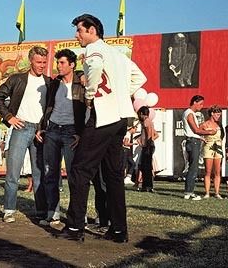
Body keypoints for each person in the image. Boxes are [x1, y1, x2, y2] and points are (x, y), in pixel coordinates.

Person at [57, 14, 147, 242]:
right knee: (114, 175)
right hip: (119, 118)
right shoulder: (118, 54)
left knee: (79, 170)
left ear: (92, 30)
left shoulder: (93, 50)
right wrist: (120, 94)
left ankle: (75, 228)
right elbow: (140, 77)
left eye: (79, 30)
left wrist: (90, 94)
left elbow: (95, 66)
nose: (76, 34)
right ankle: (118, 230)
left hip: (102, 116)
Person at [0, 46, 50, 223]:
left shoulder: (49, 82)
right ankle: (9, 210)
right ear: (31, 61)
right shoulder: (17, 79)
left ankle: (41, 212)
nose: (41, 65)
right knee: (13, 173)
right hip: (21, 128)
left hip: (39, 131)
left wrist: (45, 127)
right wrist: (9, 117)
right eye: (38, 62)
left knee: (39, 174)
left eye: (44, 62)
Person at [35, 48, 86, 226]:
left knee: (74, 175)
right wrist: (43, 128)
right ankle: (53, 212)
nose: (59, 66)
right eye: (57, 62)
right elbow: (48, 107)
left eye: (62, 63)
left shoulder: (81, 82)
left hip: (72, 133)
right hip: (53, 130)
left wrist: (80, 133)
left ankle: (78, 214)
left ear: (72, 65)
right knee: (50, 173)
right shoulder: (54, 83)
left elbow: (87, 109)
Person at [182, 95, 216, 201]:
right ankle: (189, 192)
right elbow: (196, 130)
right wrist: (209, 132)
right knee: (193, 167)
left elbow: (194, 132)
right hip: (193, 142)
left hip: (194, 141)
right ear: (195, 102)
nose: (202, 106)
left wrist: (201, 138)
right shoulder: (189, 114)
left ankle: (189, 191)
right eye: (200, 104)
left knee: (193, 166)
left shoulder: (190, 113)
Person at [200, 105, 224, 199]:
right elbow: (196, 131)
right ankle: (207, 193)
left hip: (218, 146)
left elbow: (222, 135)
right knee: (208, 171)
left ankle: (217, 193)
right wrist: (202, 139)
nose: (218, 116)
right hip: (208, 146)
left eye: (219, 115)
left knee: (217, 171)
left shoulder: (219, 124)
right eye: (217, 114)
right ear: (212, 114)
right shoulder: (205, 124)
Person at [136, 106, 159, 192]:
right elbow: (155, 134)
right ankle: (147, 186)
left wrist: (147, 143)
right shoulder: (149, 121)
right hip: (149, 145)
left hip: (148, 146)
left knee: (146, 167)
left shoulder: (146, 122)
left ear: (142, 113)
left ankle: (147, 186)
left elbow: (149, 133)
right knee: (147, 166)